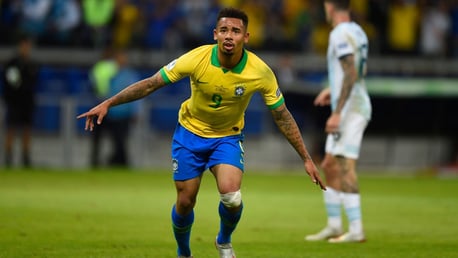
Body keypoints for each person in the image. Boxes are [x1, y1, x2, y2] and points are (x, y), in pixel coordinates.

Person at [78, 7, 326, 258]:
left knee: (231, 196)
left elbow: (281, 115)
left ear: (246, 37)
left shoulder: (260, 72)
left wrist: (306, 157)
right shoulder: (196, 58)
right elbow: (152, 83)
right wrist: (109, 103)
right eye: (225, 30)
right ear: (215, 34)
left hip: (227, 137)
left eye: (236, 31)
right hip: (189, 134)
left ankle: (224, 241)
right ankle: (184, 251)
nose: (230, 36)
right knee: (185, 202)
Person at [305, 0, 371, 243]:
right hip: (352, 102)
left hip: (351, 110)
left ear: (330, 6)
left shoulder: (339, 33)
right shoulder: (358, 31)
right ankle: (334, 225)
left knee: (344, 165)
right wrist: (331, 90)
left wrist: (337, 112)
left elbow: (351, 71)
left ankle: (356, 230)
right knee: (330, 164)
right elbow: (359, 72)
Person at [2, 36, 38, 168]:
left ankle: (26, 158)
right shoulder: (12, 63)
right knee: (11, 128)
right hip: (14, 101)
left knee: (27, 129)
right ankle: (8, 157)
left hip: (27, 101)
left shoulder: (32, 64)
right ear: (19, 46)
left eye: (27, 46)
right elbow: (10, 82)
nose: (26, 48)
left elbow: (33, 83)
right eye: (24, 45)